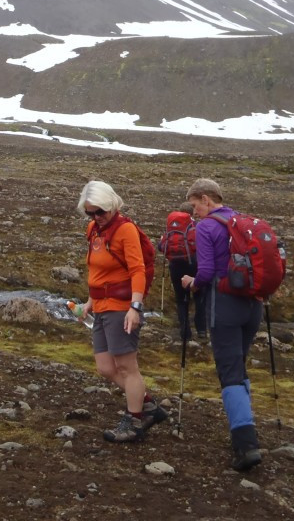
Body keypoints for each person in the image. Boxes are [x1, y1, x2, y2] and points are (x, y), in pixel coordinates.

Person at [181, 178, 263, 471]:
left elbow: (205, 273)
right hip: (253, 305)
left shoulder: (207, 227)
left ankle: (246, 445)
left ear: (206, 198)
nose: (194, 212)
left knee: (229, 371)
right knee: (239, 364)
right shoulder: (241, 221)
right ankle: (246, 429)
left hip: (224, 305)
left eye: (195, 205)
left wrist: (191, 282)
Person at [77, 180, 168, 443]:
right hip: (101, 306)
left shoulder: (126, 230)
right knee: (106, 367)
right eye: (90, 213)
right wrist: (90, 301)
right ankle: (148, 405)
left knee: (127, 368)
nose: (96, 217)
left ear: (111, 205)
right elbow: (97, 270)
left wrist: (134, 308)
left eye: (100, 211)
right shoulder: (93, 230)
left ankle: (134, 421)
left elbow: (137, 270)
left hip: (121, 308)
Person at [158, 201, 207, 341]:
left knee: (181, 299)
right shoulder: (196, 226)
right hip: (194, 265)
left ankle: (185, 333)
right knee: (199, 296)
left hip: (175, 266)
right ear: (192, 213)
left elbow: (161, 247)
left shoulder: (171, 227)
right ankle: (202, 330)